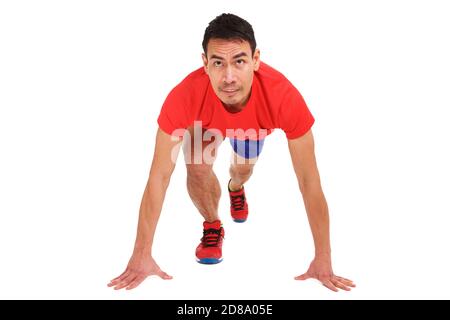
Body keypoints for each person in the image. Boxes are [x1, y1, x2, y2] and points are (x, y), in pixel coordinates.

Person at [108, 13, 355, 292]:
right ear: (205, 63)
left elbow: (309, 181)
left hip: (251, 129)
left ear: (256, 60)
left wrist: (323, 259)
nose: (228, 77)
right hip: (205, 125)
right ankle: (213, 225)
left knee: (242, 169)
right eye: (217, 62)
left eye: (239, 61)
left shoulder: (283, 97)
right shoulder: (184, 96)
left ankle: (235, 187)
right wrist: (141, 253)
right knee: (197, 165)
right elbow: (158, 177)